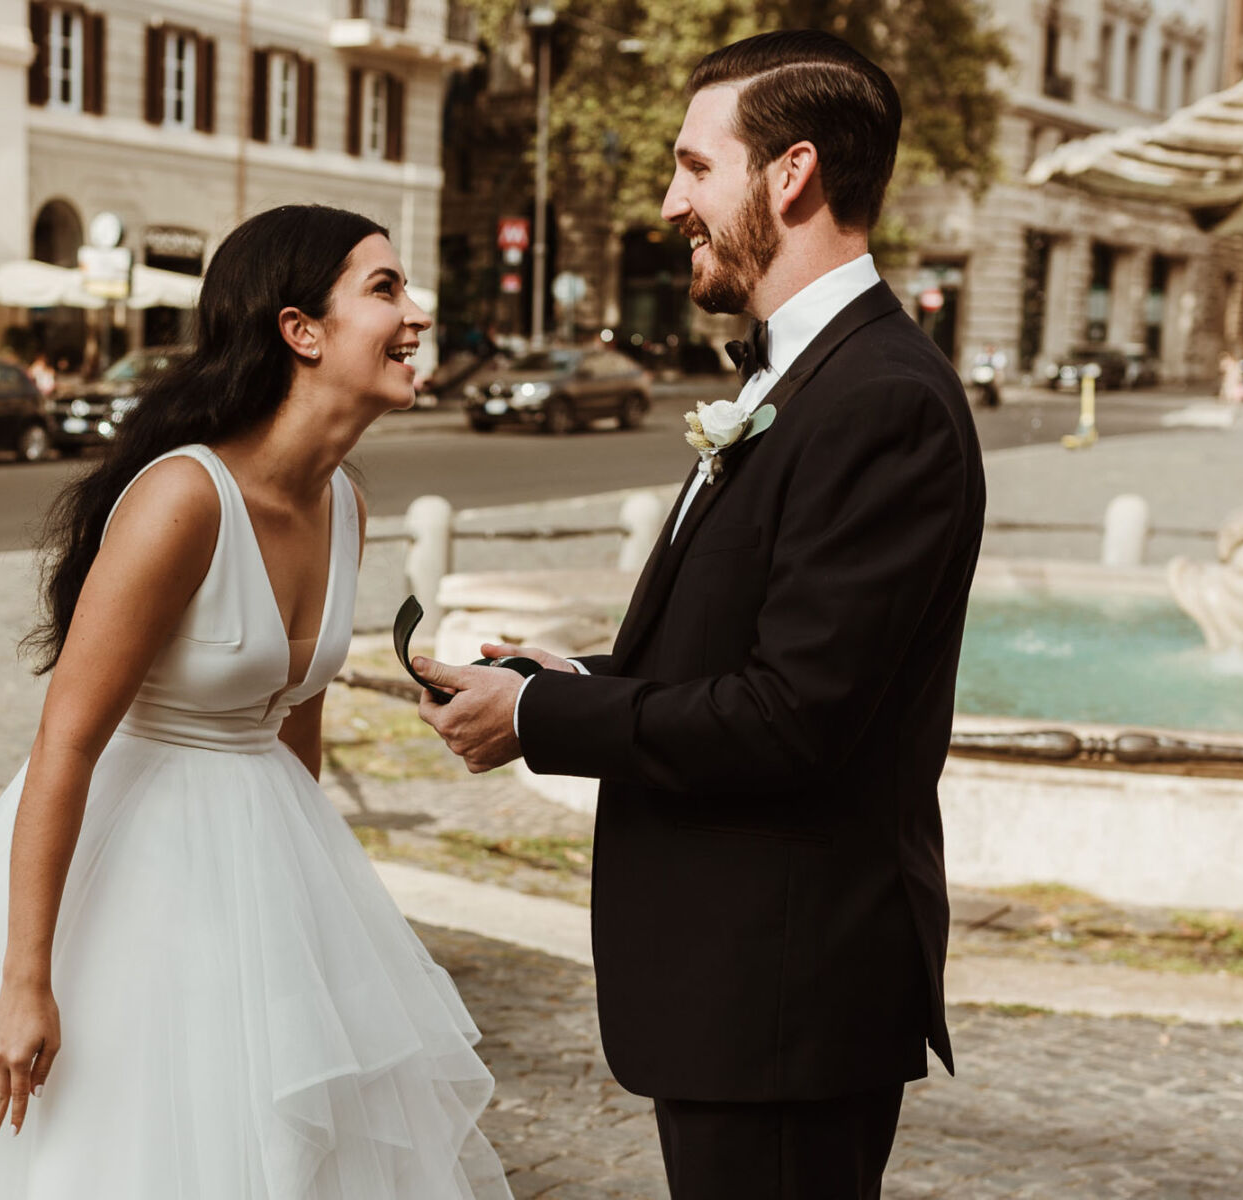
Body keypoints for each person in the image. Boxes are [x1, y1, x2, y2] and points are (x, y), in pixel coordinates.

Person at [0, 205, 512, 1199]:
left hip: (269, 866)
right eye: (385, 290)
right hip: (137, 878)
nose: (416, 314)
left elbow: (297, 724)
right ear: (301, 330)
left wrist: (304, 925)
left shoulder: (345, 505)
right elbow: (65, 741)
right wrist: (25, 979)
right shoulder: (184, 500)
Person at [415, 30, 985, 1200]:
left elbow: (793, 717)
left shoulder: (883, 401)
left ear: (791, 175)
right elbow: (738, 648)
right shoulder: (792, 378)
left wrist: (541, 721)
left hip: (787, 994)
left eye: (693, 166)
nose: (670, 201)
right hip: (740, 995)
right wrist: (570, 675)